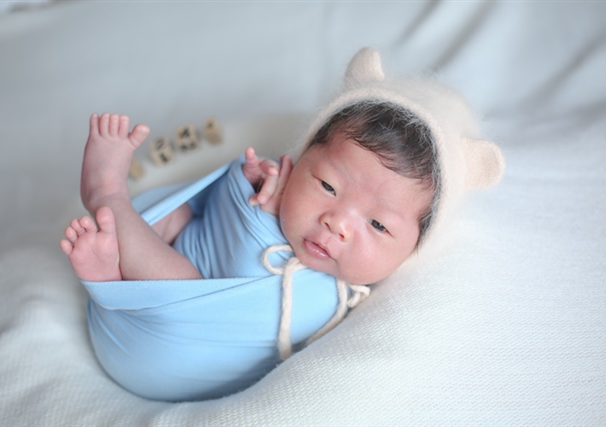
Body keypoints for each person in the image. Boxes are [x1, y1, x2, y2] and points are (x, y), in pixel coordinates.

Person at [60, 48, 505, 401]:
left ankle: (109, 212)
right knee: (181, 215)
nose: (337, 223)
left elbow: (260, 289)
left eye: (377, 224)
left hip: (163, 348)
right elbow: (219, 214)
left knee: (184, 279)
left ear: (413, 249)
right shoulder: (273, 192)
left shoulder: (354, 300)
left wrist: (261, 224)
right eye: (327, 186)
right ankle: (115, 246)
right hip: (146, 299)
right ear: (298, 160)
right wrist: (250, 193)